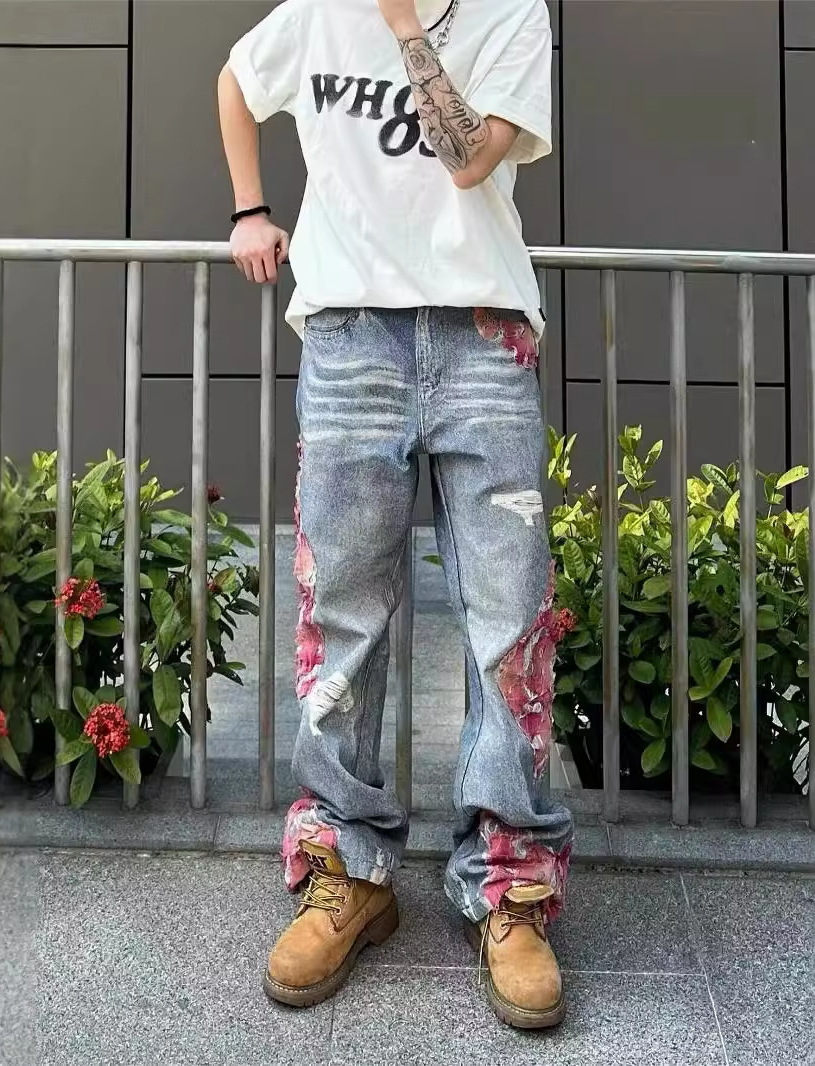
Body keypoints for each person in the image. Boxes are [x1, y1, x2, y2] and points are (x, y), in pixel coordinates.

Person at [217, 0, 573, 1030]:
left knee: (509, 621)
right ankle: (346, 869)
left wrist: (406, 23)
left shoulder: (510, 13)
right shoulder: (318, 12)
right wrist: (249, 208)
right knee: (342, 614)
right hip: (349, 337)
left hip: (481, 336)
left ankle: (508, 885)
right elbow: (237, 79)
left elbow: (470, 161)